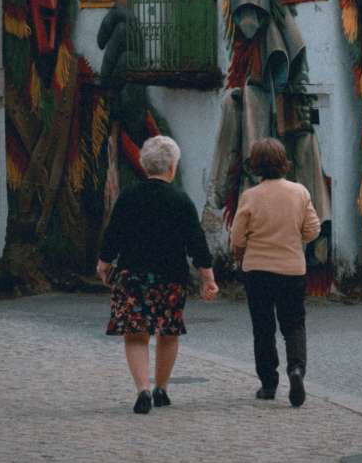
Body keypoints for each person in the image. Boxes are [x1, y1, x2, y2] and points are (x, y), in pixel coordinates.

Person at [97, 135, 218, 414]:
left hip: (132, 275)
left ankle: (142, 390)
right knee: (168, 332)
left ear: (143, 164)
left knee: (135, 334)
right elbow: (196, 241)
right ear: (172, 167)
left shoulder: (129, 196)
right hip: (170, 277)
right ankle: (161, 389)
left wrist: (104, 264)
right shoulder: (180, 199)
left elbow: (113, 233)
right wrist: (207, 277)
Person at [231, 138, 321, 407]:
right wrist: (295, 237)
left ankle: (268, 384)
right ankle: (296, 369)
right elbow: (312, 229)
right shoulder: (300, 192)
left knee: (263, 327)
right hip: (292, 269)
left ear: (255, 165)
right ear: (284, 162)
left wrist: (240, 253)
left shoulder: (250, 196)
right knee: (293, 323)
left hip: (257, 270)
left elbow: (237, 237)